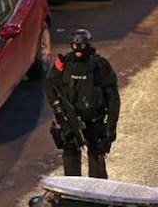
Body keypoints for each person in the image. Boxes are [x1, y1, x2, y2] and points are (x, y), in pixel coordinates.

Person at [45, 29, 120, 179]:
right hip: (71, 122)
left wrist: (110, 128)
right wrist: (58, 109)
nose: (78, 50)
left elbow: (113, 98)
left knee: (97, 162)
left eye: (81, 46)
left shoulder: (100, 65)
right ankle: (73, 197)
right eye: (75, 46)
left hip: (94, 122)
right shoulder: (64, 63)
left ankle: (97, 197)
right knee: (71, 162)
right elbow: (50, 85)